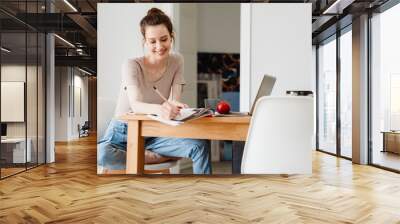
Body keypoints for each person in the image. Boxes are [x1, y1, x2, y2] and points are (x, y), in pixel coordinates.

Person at [98, 8, 211, 174]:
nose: (159, 46)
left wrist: (175, 106)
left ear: (171, 36)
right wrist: (162, 109)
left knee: (199, 146)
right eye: (152, 41)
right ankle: (153, 157)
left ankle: (205, 195)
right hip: (123, 132)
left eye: (164, 39)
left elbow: (174, 100)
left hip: (155, 132)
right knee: (101, 154)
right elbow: (136, 105)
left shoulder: (177, 60)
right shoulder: (131, 65)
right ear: (145, 41)